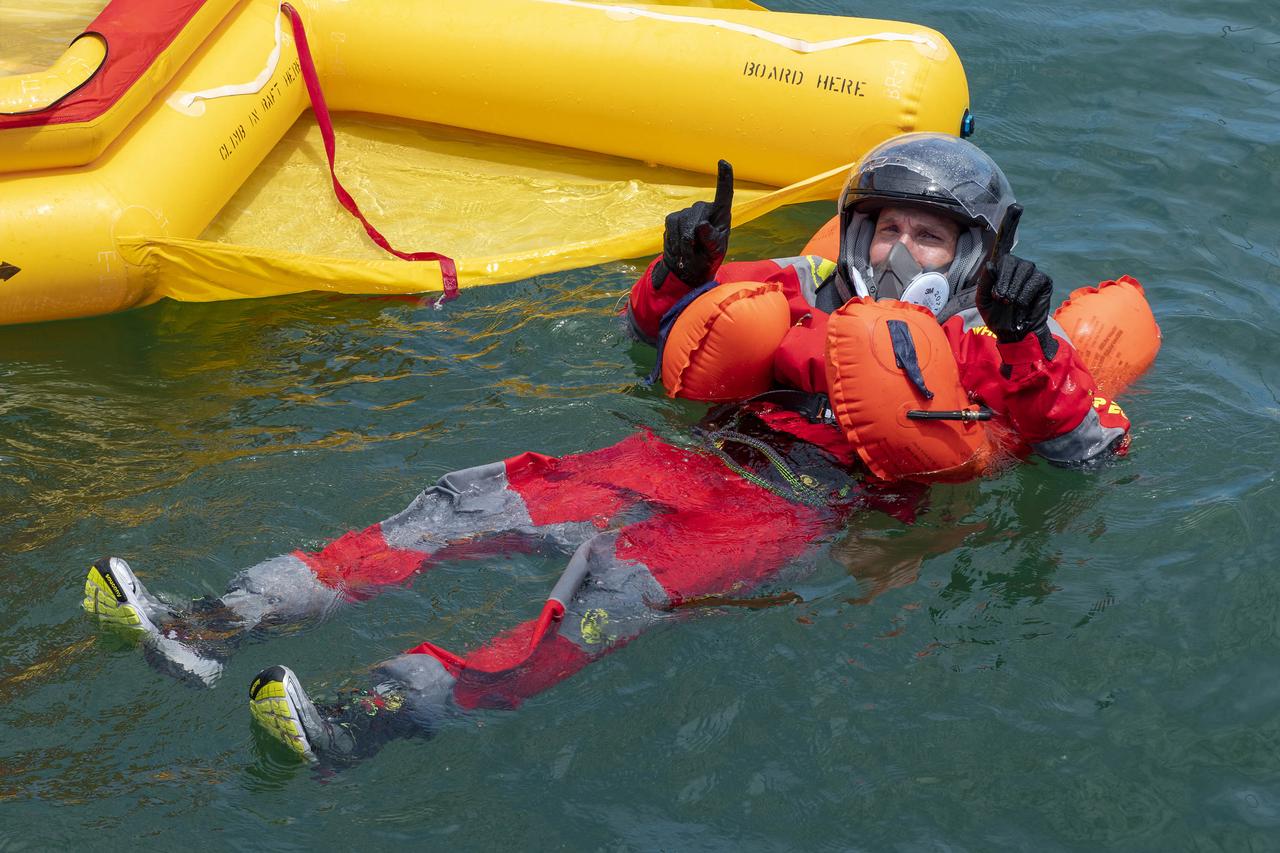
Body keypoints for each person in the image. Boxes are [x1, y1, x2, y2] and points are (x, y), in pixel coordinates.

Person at [83, 132, 1131, 763]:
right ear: (854, 233)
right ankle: (213, 618)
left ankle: (366, 717)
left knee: (601, 599)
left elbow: (1077, 447)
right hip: (689, 455)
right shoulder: (799, 290)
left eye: (929, 235)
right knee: (465, 503)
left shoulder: (986, 346)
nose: (900, 251)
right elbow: (659, 338)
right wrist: (679, 271)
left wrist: (1030, 333)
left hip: (788, 513)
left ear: (972, 253)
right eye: (885, 228)